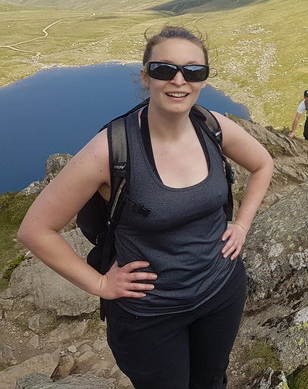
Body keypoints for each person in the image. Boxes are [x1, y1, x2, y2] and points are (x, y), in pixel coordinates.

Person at [17, 26, 275, 389]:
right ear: (145, 76)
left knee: (212, 380)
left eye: (193, 71)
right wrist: (101, 283)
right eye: (164, 69)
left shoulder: (211, 125)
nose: (179, 80)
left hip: (221, 293)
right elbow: (35, 230)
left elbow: (263, 163)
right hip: (149, 315)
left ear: (204, 79)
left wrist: (243, 225)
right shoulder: (111, 150)